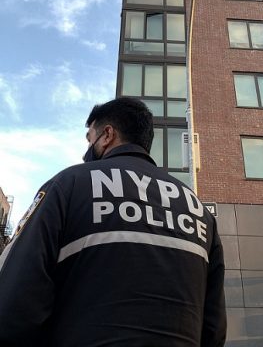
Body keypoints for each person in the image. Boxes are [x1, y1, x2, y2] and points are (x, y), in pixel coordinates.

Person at [0, 97, 226, 346]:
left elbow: (14, 302)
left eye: (90, 138)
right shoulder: (198, 209)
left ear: (107, 135)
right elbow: (213, 327)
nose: (86, 150)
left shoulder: (69, 185)